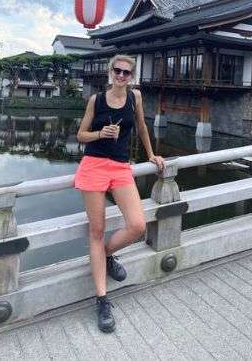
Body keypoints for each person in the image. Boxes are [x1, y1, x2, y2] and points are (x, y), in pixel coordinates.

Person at [75, 55, 165, 333]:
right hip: (93, 166)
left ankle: (104, 256)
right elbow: (80, 135)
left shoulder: (134, 98)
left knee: (137, 225)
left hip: (120, 168)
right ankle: (102, 300)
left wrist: (151, 155)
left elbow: (141, 127)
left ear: (132, 76)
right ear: (110, 71)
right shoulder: (96, 100)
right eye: (117, 71)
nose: (122, 76)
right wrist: (100, 133)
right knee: (97, 230)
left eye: (127, 72)